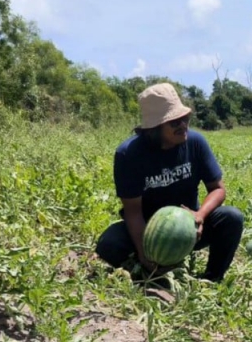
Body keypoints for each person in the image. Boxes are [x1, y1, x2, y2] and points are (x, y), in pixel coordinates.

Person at [95, 82, 244, 283]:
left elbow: (218, 189)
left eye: (185, 119)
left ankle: (212, 279)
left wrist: (199, 215)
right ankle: (142, 271)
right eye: (174, 122)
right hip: (147, 228)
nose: (183, 125)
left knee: (232, 218)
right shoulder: (129, 154)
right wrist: (144, 252)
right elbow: (133, 211)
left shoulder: (196, 143)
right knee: (108, 244)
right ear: (155, 128)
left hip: (190, 228)